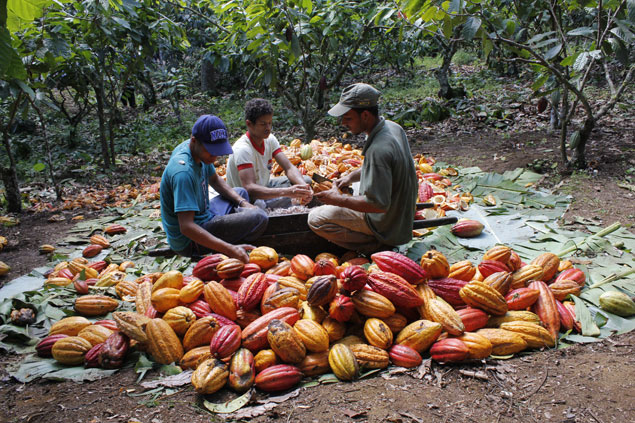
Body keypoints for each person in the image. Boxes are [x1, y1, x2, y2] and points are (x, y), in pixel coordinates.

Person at [308, 83, 418, 254]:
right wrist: (350, 177)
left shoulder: (378, 150)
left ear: (365, 115)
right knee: (353, 189)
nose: (343, 122)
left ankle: (377, 246)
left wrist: (337, 200)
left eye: (348, 118)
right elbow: (386, 169)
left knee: (315, 218)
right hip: (402, 212)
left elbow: (378, 205)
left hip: (387, 223)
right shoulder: (392, 127)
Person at [160, 114, 268, 262]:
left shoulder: (197, 149)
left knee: (240, 193)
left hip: (204, 213)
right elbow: (186, 227)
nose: (214, 158)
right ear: (194, 141)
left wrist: (242, 202)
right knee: (259, 217)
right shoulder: (183, 172)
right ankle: (228, 244)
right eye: (211, 152)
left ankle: (235, 220)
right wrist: (229, 249)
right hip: (189, 240)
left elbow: (215, 180)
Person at [225, 98, 313, 209]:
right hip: (246, 198)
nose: (268, 128)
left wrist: (303, 187)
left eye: (270, 123)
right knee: (261, 204)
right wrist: (286, 192)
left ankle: (281, 202)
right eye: (263, 124)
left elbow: (289, 167)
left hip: (264, 186)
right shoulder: (242, 149)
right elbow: (249, 188)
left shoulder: (270, 139)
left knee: (305, 181)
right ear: (249, 124)